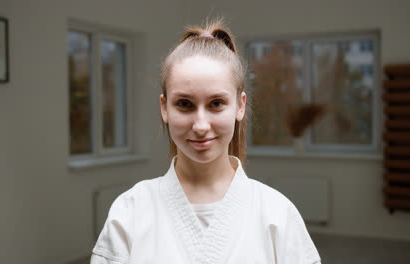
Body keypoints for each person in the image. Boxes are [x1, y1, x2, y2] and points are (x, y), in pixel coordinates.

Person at [90, 18, 321, 264]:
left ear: (240, 106)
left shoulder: (277, 215)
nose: (201, 125)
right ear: (164, 108)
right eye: (184, 104)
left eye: (216, 104)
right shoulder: (129, 212)